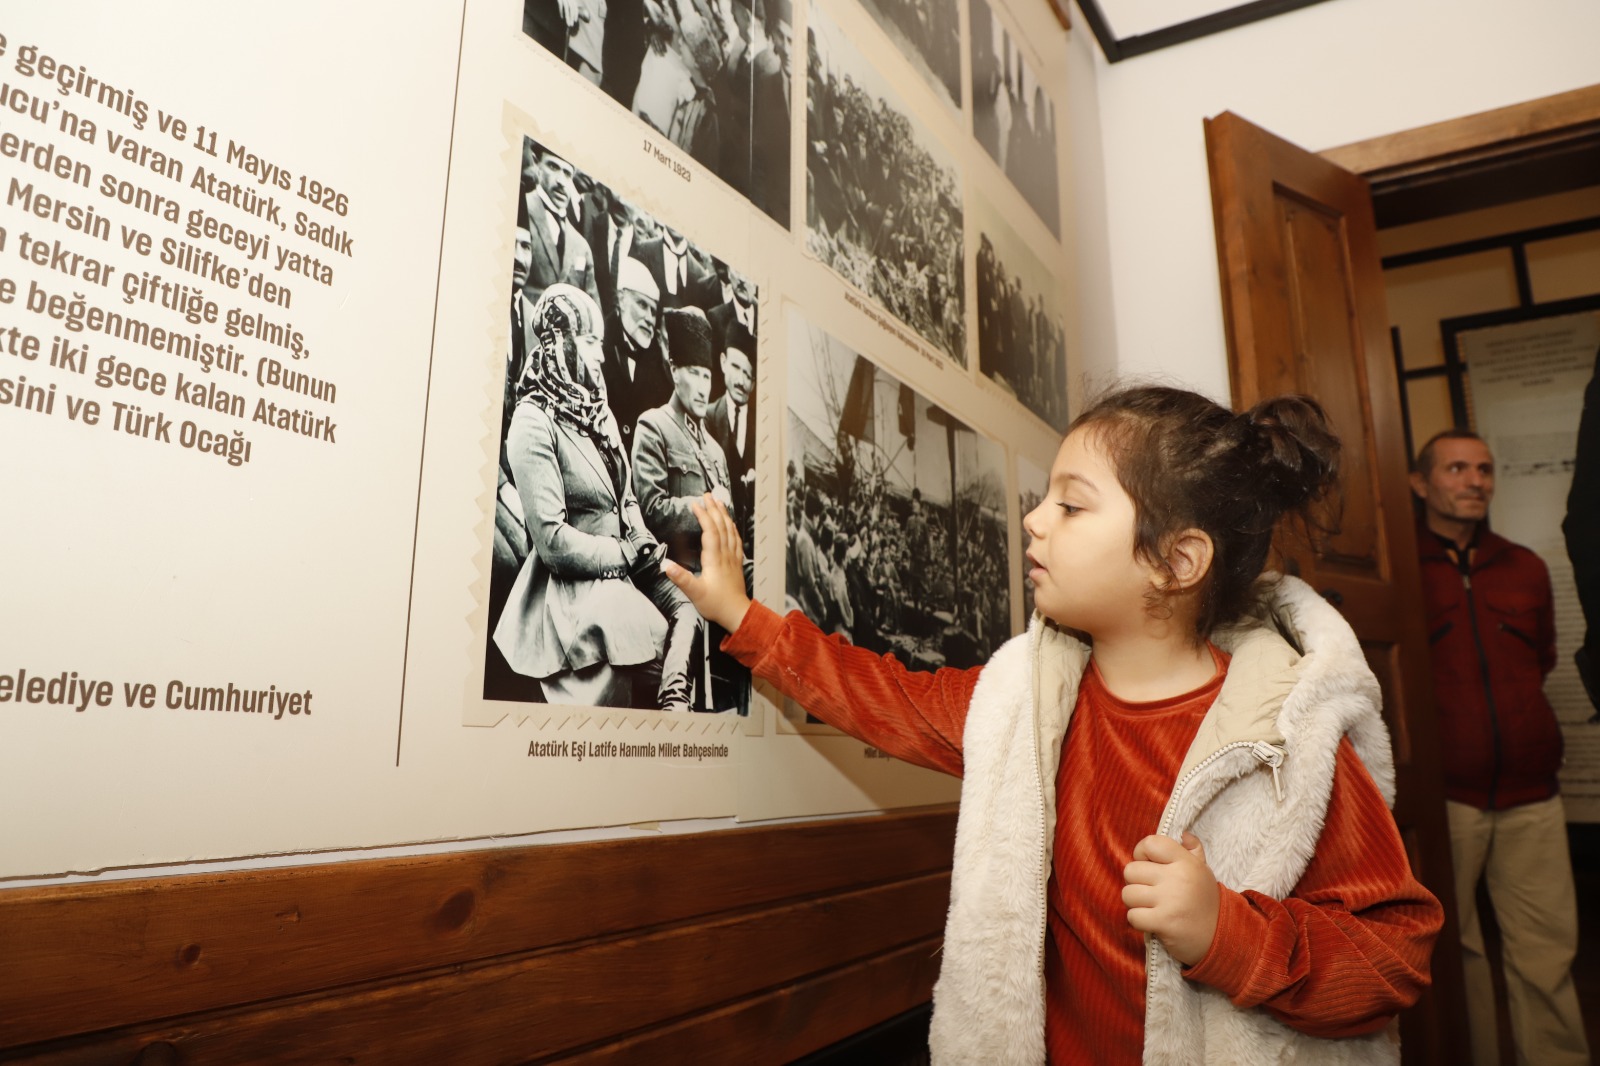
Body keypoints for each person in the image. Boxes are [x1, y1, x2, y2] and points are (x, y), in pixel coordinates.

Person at [666, 385, 1443, 1063]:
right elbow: (889, 698)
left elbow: (1395, 957)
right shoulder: (1023, 702)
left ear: (1177, 562)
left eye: (1071, 505)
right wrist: (742, 617)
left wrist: (1228, 934)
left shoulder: (1290, 739)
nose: (1034, 520)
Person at [1411, 428, 1589, 1066]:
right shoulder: (1403, 572)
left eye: (1484, 469)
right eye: (1457, 468)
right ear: (1420, 483)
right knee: (1456, 952)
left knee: (1547, 953)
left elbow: (1541, 660)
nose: (1475, 481)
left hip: (1531, 795)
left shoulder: (1525, 567)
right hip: (1448, 798)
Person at [493, 284, 698, 713]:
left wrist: (640, 539)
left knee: (687, 606)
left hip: (625, 569)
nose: (602, 356)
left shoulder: (598, 409)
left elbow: (626, 497)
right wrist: (622, 554)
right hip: (572, 588)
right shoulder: (531, 421)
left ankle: (674, 705)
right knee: (652, 646)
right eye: (590, 343)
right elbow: (552, 542)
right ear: (561, 341)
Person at [522, 146, 601, 310]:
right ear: (536, 164)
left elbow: (592, 311)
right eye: (553, 167)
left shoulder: (581, 245)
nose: (561, 181)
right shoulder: (520, 209)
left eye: (567, 173)